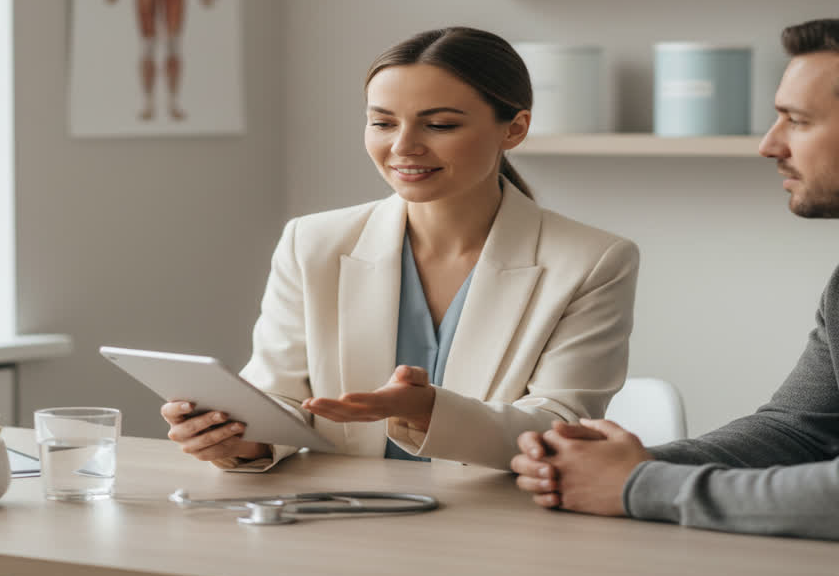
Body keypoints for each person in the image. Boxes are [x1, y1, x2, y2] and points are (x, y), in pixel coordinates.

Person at [512, 13, 839, 576]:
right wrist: (613, 465)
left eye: (798, 121)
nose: (770, 144)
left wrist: (638, 486)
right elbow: (797, 431)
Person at [161, 26, 639, 471]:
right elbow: (281, 396)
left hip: (497, 525)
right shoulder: (313, 242)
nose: (403, 147)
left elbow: (560, 427)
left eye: (441, 126)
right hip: (341, 516)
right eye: (383, 123)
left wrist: (433, 413)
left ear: (514, 129)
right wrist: (241, 438)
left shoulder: (592, 260)